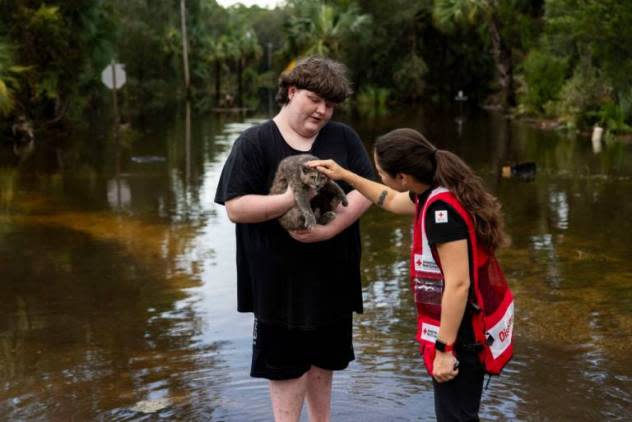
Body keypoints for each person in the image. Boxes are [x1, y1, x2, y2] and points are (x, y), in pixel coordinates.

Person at [309, 128, 513, 421]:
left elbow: (458, 284)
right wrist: (345, 175)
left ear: (403, 176)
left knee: (456, 417)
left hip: (463, 334)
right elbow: (390, 200)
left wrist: (444, 349)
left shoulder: (441, 215)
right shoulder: (434, 193)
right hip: (462, 329)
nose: (380, 176)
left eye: (381, 171)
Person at [214, 57, 374, 422]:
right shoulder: (253, 142)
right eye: (314, 99)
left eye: (330, 105)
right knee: (285, 368)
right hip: (278, 287)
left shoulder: (343, 138)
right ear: (291, 92)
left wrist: (330, 229)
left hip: (333, 277)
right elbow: (236, 207)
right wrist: (291, 198)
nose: (322, 110)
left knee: (324, 363)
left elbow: (367, 188)